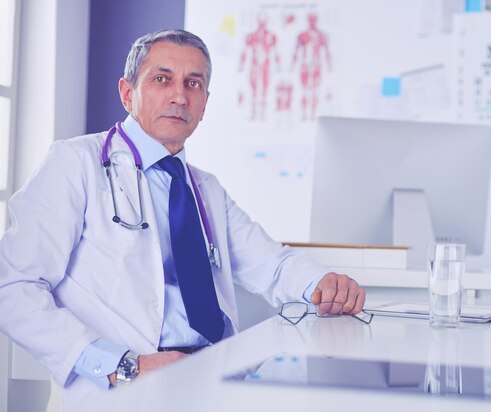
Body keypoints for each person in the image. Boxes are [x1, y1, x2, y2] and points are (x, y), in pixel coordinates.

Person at [0, 29, 365, 409]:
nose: (179, 96)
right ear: (127, 92)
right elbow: (12, 287)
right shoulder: (75, 164)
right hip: (124, 388)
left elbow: (271, 265)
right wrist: (123, 366)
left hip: (211, 382)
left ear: (205, 104)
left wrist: (323, 282)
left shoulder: (206, 188)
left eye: (194, 83)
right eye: (162, 79)